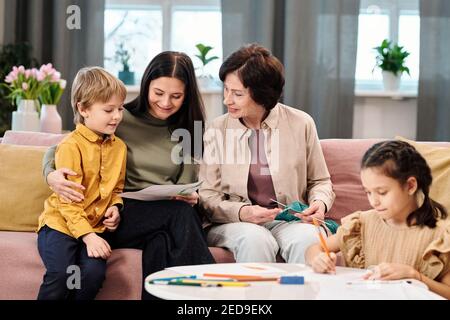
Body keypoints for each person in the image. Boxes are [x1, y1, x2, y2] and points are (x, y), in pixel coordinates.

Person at [43, 52, 215, 300]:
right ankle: (214, 294)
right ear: (146, 86)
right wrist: (51, 176)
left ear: (186, 96)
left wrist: (189, 195)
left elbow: (185, 183)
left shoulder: (188, 130)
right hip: (115, 212)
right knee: (178, 217)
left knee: (162, 240)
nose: (166, 102)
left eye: (176, 96)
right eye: (158, 93)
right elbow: (61, 148)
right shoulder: (118, 118)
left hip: (161, 215)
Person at [199, 43, 335, 263]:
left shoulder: (301, 123)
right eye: (226, 89)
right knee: (256, 239)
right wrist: (243, 212)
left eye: (237, 94)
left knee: (307, 239)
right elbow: (207, 196)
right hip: (234, 223)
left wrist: (320, 203)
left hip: (288, 221)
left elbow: (320, 180)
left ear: (262, 95)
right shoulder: (217, 129)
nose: (227, 100)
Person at [305, 140, 450, 299]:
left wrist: (415, 276)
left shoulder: (440, 235)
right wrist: (318, 259)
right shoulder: (363, 223)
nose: (374, 201)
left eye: (382, 192)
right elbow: (315, 248)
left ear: (410, 186)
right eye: (368, 192)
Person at [37, 67, 127, 299]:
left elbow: (117, 188)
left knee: (93, 274)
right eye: (108, 110)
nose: (117, 116)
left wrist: (115, 207)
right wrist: (88, 237)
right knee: (61, 274)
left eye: (120, 108)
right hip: (60, 225)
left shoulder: (120, 148)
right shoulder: (70, 146)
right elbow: (67, 202)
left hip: (95, 227)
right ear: (83, 109)